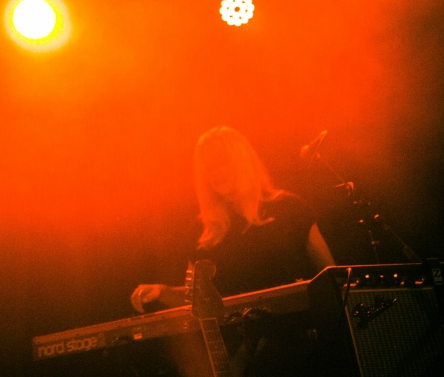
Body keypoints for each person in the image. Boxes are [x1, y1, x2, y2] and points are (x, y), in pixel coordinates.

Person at [131, 126, 335, 313]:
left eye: (222, 162)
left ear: (243, 162)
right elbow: (196, 300)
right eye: (208, 167)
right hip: (241, 340)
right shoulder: (204, 229)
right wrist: (163, 292)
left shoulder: (289, 207)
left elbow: (332, 277)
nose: (216, 173)